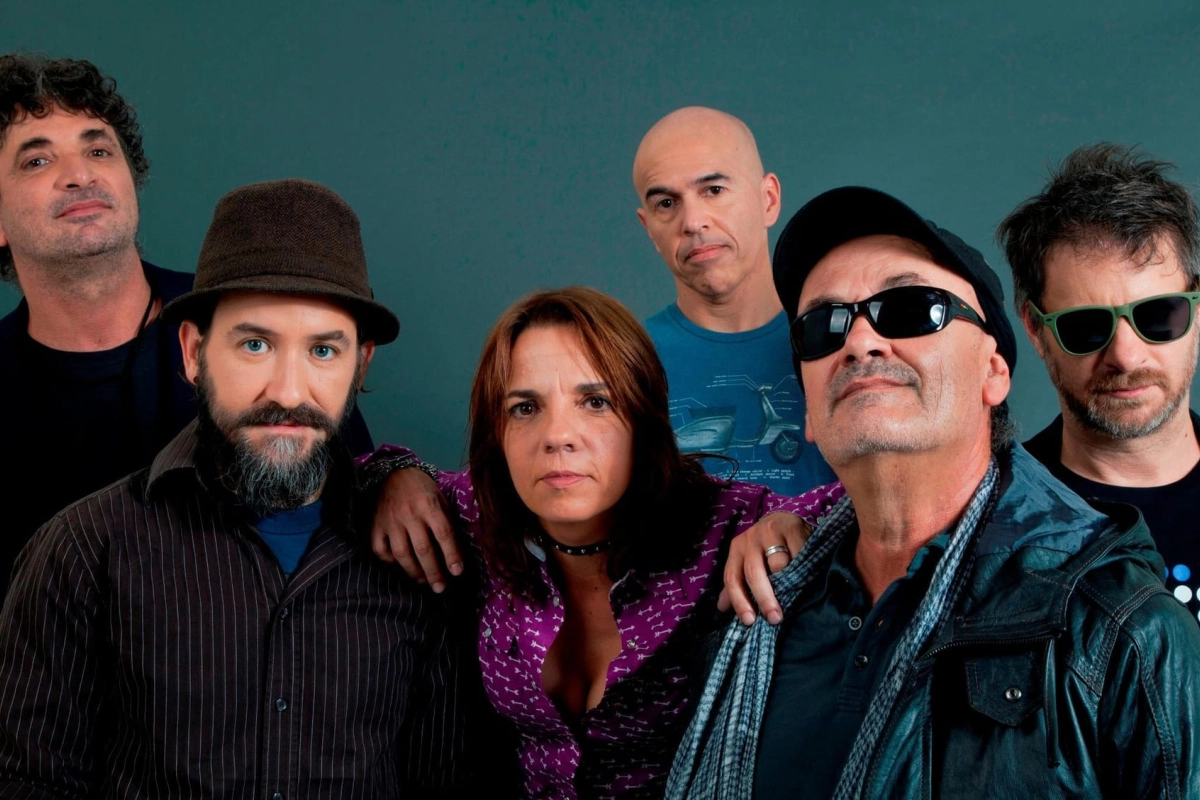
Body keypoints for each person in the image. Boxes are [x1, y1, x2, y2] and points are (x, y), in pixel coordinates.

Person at [668, 187, 1200, 799]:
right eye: (823, 326)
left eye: (912, 309)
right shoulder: (749, 618)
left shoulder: (1122, 629)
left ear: (993, 371)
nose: (859, 341)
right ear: (807, 408)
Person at [0, 179, 492, 798]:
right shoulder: (81, 551)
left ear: (361, 365)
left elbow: (447, 783)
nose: (287, 391)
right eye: (254, 344)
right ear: (193, 353)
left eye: (323, 350)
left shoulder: (422, 563)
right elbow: (30, 781)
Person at [365, 287, 843, 798]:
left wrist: (789, 519)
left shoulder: (721, 524)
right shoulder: (478, 515)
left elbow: (864, 499)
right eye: (525, 408)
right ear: (496, 433)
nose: (558, 436)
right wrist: (395, 475)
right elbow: (350, 475)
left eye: (595, 402)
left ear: (642, 417)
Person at [0, 53, 373, 598]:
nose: (80, 175)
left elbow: (351, 472)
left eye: (99, 150)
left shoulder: (240, 318)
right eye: (37, 161)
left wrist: (399, 477)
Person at [997, 144, 1200, 618]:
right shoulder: (991, 526)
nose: (1125, 356)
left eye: (1158, 316)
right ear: (1036, 329)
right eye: (1086, 327)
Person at [632, 106, 835, 495]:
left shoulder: (844, 338)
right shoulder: (621, 362)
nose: (693, 222)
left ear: (768, 200)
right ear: (649, 228)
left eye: (714, 190)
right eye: (667, 203)